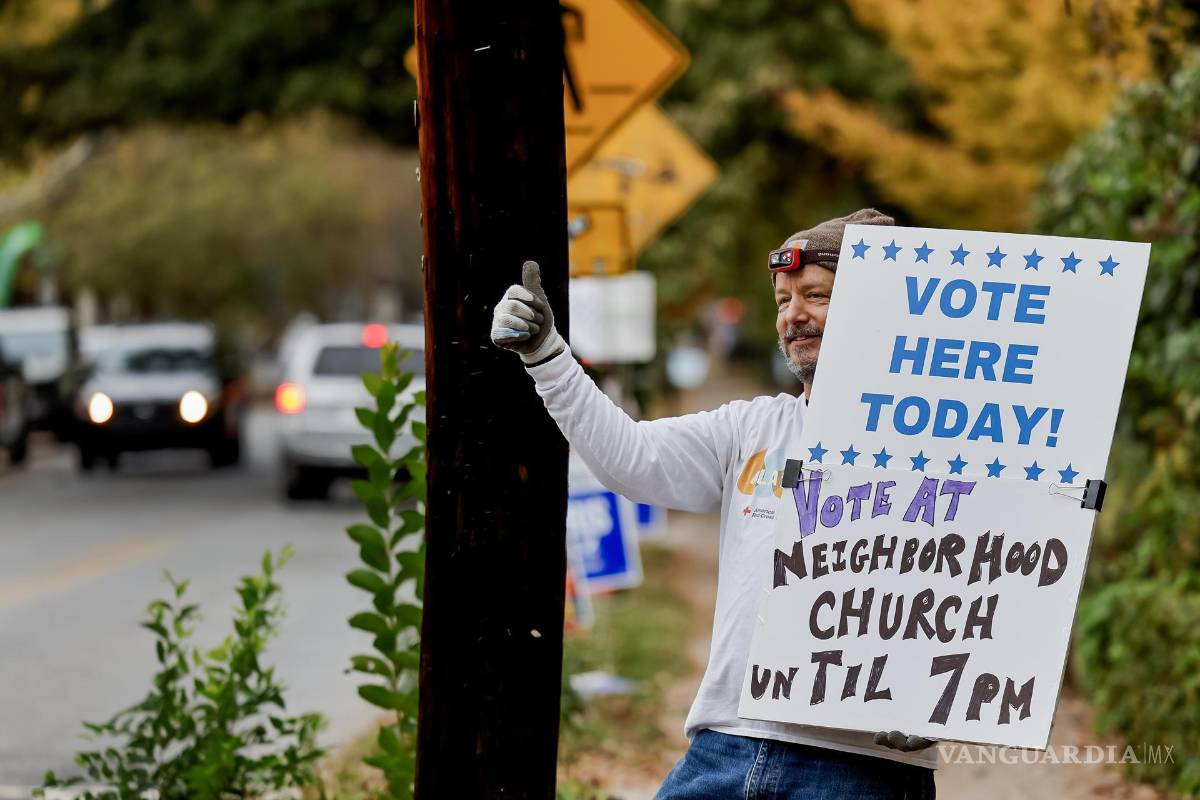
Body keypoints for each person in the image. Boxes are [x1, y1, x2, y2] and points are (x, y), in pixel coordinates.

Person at [491, 209, 937, 799]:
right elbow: (631, 456)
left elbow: (1011, 581)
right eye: (782, 300)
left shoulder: (949, 455)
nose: (792, 316)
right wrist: (547, 355)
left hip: (863, 769)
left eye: (816, 295)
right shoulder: (753, 428)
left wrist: (942, 705)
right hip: (723, 749)